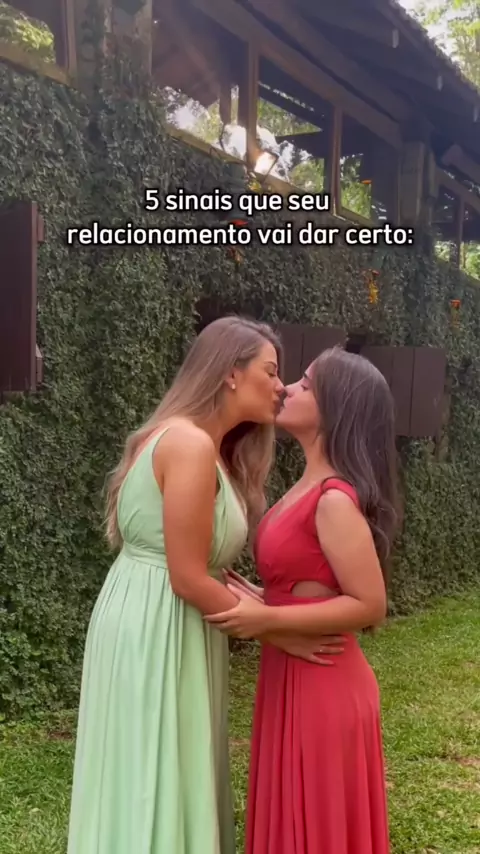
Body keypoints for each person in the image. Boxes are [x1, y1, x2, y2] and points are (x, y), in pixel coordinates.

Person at [67, 315, 294, 854]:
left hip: (157, 611)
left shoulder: (196, 444)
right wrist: (282, 633)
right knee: (154, 766)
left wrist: (253, 598)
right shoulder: (189, 444)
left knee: (151, 767)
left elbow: (200, 567)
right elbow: (189, 576)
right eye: (271, 371)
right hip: (160, 621)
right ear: (231, 373)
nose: (281, 386)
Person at [207, 347, 398, 854]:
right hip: (290, 670)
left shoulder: (333, 498)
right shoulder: (306, 485)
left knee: (313, 824)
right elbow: (301, 584)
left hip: (323, 681)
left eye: (307, 385)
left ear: (335, 408)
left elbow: (370, 604)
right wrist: (258, 598)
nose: (287, 388)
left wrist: (265, 617)